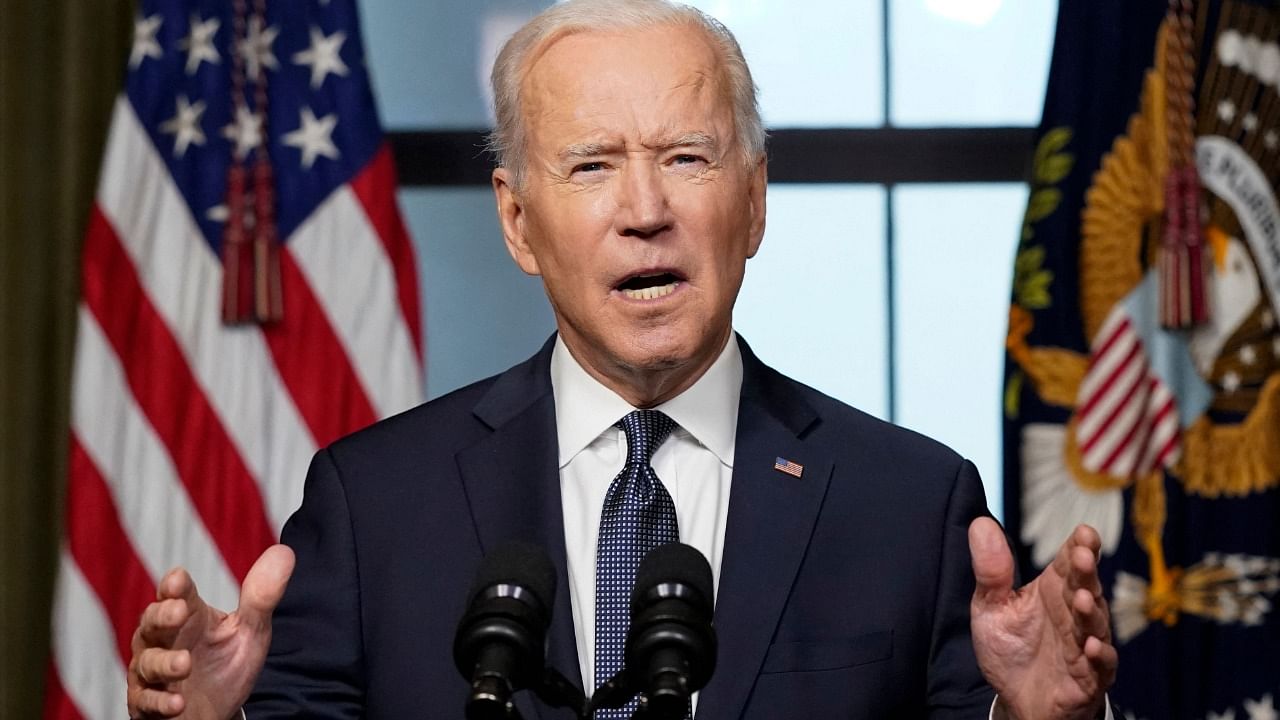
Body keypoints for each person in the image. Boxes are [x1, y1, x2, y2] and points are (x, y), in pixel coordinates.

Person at [126, 1, 1117, 718]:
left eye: (686, 157)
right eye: (592, 166)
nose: (644, 212)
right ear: (517, 221)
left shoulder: (909, 503)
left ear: (754, 201)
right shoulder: (375, 501)